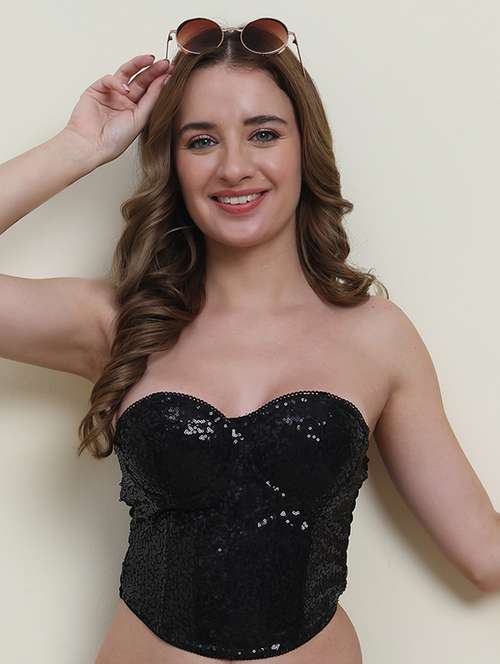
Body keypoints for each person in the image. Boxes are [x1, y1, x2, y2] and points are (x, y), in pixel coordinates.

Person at [1, 17, 498, 664]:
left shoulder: (378, 337)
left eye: (264, 133)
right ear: (172, 162)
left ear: (304, 148)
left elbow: (484, 555)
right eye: (201, 140)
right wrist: (78, 147)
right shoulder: (120, 322)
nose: (234, 167)